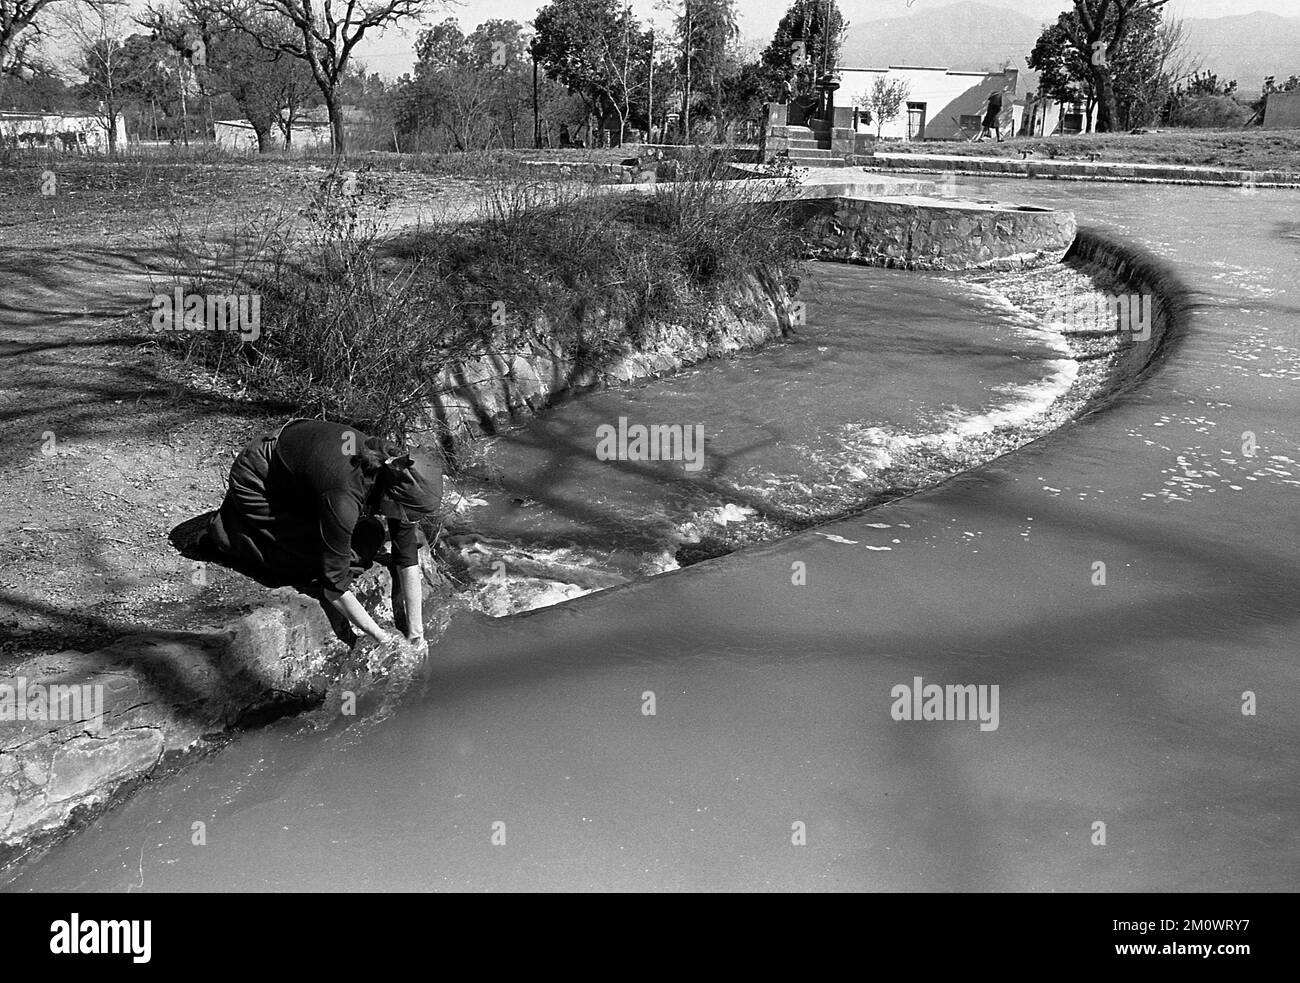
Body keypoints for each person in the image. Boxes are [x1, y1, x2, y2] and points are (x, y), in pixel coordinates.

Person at [192, 419, 442, 649]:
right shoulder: (344, 493)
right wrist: (382, 638)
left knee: (369, 536)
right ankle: (224, 533)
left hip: (299, 480)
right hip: (259, 479)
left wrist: (416, 634)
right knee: (313, 566)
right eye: (409, 513)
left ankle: (260, 524)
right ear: (391, 496)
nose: (410, 520)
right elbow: (333, 585)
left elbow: (406, 554)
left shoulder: (396, 474)